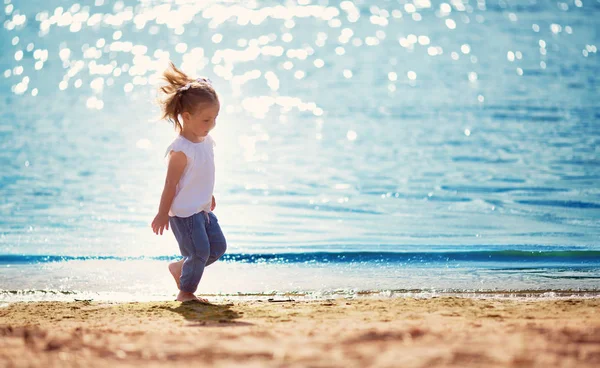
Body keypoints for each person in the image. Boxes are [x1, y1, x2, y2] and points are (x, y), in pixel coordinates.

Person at [151, 62, 227, 303]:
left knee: (217, 248)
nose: (212, 124)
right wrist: (162, 213)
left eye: (215, 118)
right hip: (184, 213)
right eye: (206, 120)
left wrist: (208, 195)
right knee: (198, 252)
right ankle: (186, 292)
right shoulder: (180, 151)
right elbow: (170, 185)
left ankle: (179, 268)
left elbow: (202, 173)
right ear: (186, 117)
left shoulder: (206, 140)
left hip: (201, 208)